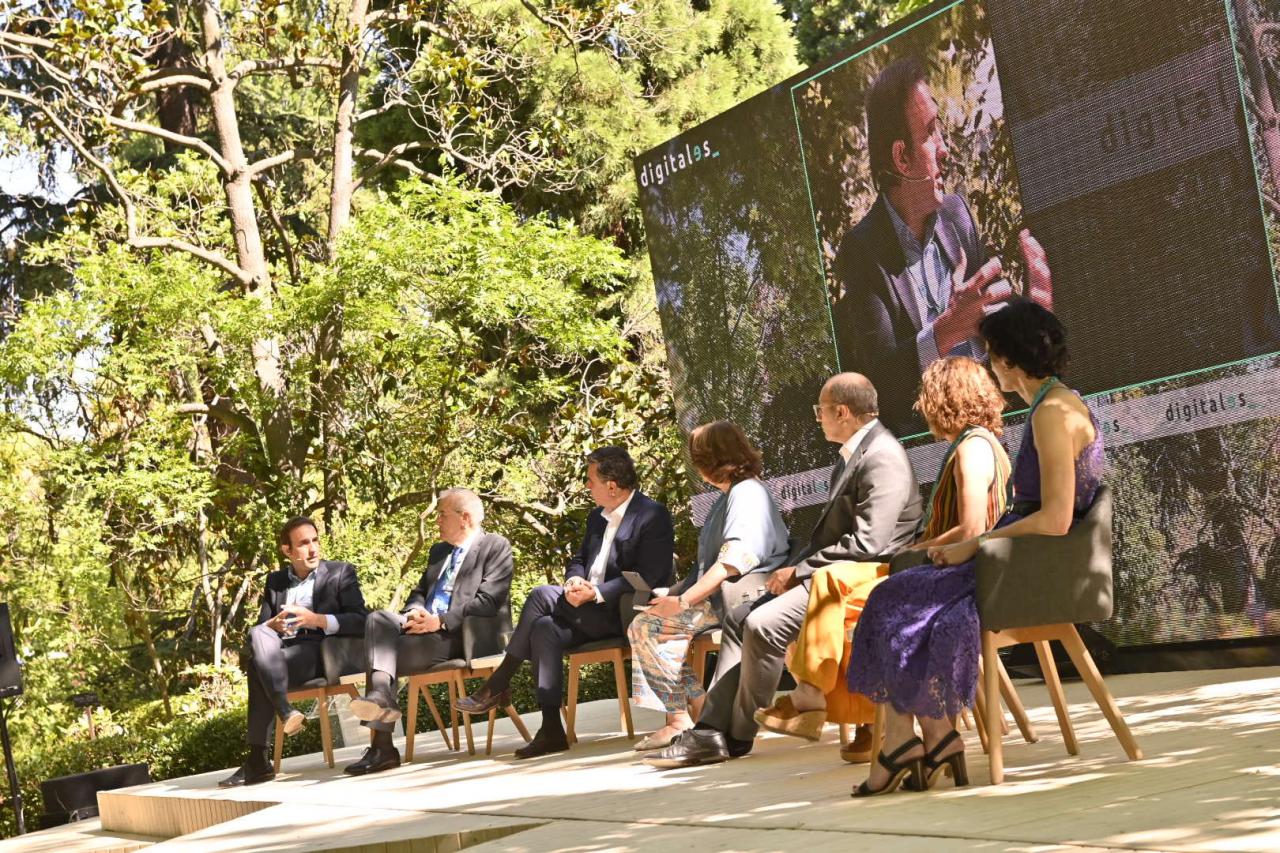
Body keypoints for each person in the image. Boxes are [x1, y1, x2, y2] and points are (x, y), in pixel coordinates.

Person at [847, 301, 1104, 796]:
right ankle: (932, 737)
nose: (989, 365)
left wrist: (974, 545)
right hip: (1021, 561)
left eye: (991, 353)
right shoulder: (1057, 403)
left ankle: (909, 740)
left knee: (889, 598)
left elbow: (1054, 519)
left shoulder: (1053, 413)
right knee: (903, 598)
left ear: (1009, 359)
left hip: (1027, 572)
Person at [646, 373, 922, 768]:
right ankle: (710, 731)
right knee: (740, 614)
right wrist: (797, 567)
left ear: (841, 412)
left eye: (821, 411)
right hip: (836, 572)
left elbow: (870, 544)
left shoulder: (883, 456)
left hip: (864, 578)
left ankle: (736, 735)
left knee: (763, 624)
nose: (818, 419)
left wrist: (798, 572)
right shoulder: (854, 455)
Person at [755, 356, 1011, 762]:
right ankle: (833, 705)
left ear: (946, 398)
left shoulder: (972, 450)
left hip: (957, 575)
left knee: (842, 600)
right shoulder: (973, 445)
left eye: (927, 397)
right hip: (949, 568)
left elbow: (972, 529)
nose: (922, 406)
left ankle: (825, 700)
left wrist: (915, 550)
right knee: (833, 586)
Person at [830, 56, 1053, 435]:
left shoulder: (957, 214)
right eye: (931, 133)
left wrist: (1033, 319)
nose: (946, 148)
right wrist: (945, 332)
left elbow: (989, 326)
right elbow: (880, 382)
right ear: (901, 158)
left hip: (994, 432)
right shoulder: (862, 252)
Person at [456, 447, 675, 758]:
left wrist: (597, 593)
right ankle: (551, 730)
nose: (587, 486)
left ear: (611, 485)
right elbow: (579, 560)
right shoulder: (596, 519)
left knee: (540, 595)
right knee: (544, 627)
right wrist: (574, 580)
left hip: (620, 612)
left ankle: (499, 682)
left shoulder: (652, 515)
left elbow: (649, 575)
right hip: (583, 611)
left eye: (591, 481)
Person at [628, 421, 790, 751]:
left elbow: (734, 561)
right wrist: (672, 593)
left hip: (747, 597)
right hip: (724, 597)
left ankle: (687, 720)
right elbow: (710, 563)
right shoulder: (730, 495)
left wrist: (684, 601)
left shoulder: (746, 494)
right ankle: (696, 715)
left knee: (649, 626)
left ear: (709, 459)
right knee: (649, 625)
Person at [342, 488, 513, 775]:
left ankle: (382, 746)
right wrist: (413, 613)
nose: (437, 521)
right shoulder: (439, 552)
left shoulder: (495, 546)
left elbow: (489, 601)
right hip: (423, 631)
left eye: (442, 514)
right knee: (377, 620)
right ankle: (381, 699)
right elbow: (419, 592)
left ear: (465, 518)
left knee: (382, 656)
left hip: (459, 636)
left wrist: (440, 621)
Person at [219, 517, 369, 787]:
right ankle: (284, 714)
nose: (312, 549)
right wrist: (271, 624)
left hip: (319, 653)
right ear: (287, 551)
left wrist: (316, 619)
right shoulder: (276, 581)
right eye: (303, 544)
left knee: (257, 666)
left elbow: (361, 620)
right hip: (281, 655)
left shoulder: (340, 572)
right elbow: (260, 633)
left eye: (314, 541)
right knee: (258, 633)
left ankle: (259, 758)